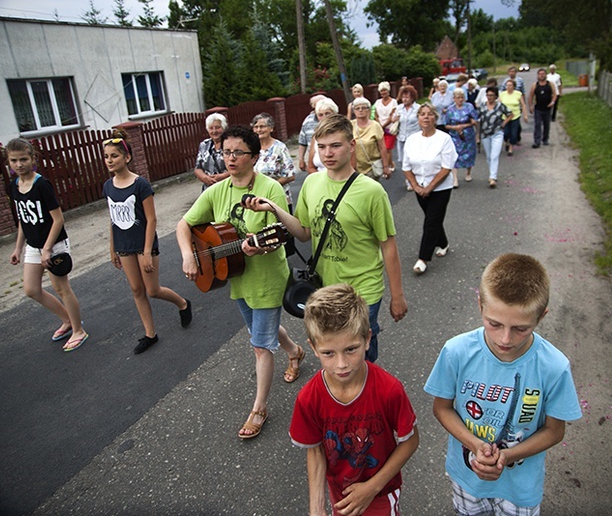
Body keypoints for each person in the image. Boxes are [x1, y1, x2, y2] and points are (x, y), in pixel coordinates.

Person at [424, 253, 581, 516]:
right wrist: (475, 445)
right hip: (467, 477)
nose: (505, 338)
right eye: (494, 324)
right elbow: (442, 408)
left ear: (541, 317)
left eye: (520, 328)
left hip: (521, 488)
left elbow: (555, 431)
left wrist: (507, 456)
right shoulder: (456, 352)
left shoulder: (553, 366)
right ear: (480, 305)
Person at [245, 114, 408, 363]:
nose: (327, 153)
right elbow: (303, 232)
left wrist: (397, 297)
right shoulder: (311, 183)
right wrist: (274, 209)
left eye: (335, 145)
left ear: (351, 146)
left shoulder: (371, 191)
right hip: (326, 290)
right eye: (321, 147)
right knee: (336, 353)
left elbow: (388, 246)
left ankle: (369, 390)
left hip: (363, 290)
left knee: (360, 351)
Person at [176, 125, 304, 439]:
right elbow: (184, 224)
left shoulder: (269, 188)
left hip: (267, 278)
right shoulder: (216, 191)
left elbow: (278, 234)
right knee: (259, 331)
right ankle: (296, 350)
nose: (230, 158)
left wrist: (262, 244)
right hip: (236, 277)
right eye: (226, 152)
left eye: (238, 152)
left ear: (254, 156)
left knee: (260, 346)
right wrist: (188, 256)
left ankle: (259, 408)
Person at [289, 284, 419, 516]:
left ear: (367, 339)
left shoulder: (389, 390)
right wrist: (316, 509)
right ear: (313, 348)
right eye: (328, 353)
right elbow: (316, 451)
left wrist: (372, 487)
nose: (341, 364)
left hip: (381, 493)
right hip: (340, 495)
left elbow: (410, 440)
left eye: (351, 349)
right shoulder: (308, 398)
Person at [102, 131, 192, 354]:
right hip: (123, 246)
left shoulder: (140, 184)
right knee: (136, 289)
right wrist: (112, 248)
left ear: (127, 157)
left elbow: (151, 219)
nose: (110, 161)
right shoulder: (108, 186)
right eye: (106, 156)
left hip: (144, 245)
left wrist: (146, 252)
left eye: (114, 156)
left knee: (152, 290)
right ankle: (150, 333)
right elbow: (113, 219)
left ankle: (182, 303)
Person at [8, 138, 89, 352]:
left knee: (61, 288)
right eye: (14, 160)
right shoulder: (14, 186)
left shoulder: (41, 184)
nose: (19, 164)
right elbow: (23, 219)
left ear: (33, 159)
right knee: (31, 289)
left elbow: (58, 219)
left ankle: (79, 330)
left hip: (54, 245)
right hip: (33, 246)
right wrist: (18, 248)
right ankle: (67, 320)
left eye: (23, 159)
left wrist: (47, 249)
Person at [402, 103, 458, 275]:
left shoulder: (444, 139)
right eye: (422, 114)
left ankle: (423, 259)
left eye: (430, 114)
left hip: (440, 188)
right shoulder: (412, 140)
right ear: (418, 118)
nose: (426, 117)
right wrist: (416, 186)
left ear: (435, 118)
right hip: (420, 188)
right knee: (432, 219)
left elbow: (446, 167)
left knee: (430, 222)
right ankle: (443, 243)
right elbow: (406, 167)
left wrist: (430, 187)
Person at [251, 112, 296, 211]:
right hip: (256, 201)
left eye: (262, 126)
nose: (259, 130)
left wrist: (268, 187)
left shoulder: (279, 148)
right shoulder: (251, 148)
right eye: (256, 127)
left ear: (271, 128)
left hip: (278, 199)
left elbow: (290, 175)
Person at [478, 86, 513, 188]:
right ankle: (491, 174)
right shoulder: (482, 106)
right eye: (488, 95)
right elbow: (477, 118)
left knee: (494, 155)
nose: (489, 97)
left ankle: (493, 177)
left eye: (491, 95)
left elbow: (510, 114)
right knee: (489, 156)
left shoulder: (500, 106)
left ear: (496, 96)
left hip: (497, 133)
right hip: (485, 134)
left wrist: (504, 123)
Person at [351, 96, 389, 181]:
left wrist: (386, 166)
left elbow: (382, 148)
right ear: (354, 111)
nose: (360, 110)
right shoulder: (350, 125)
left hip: (371, 168)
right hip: (355, 169)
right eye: (357, 108)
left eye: (364, 108)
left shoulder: (375, 126)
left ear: (368, 110)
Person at [445, 87, 478, 185]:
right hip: (455, 136)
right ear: (454, 98)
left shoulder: (469, 107)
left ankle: (468, 173)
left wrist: (466, 125)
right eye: (458, 97)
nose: (460, 100)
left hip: (468, 135)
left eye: (462, 97)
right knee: (455, 156)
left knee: (470, 154)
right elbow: (446, 124)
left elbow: (475, 120)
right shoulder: (450, 109)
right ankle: (455, 178)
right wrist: (455, 128)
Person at [390, 85, 421, 190]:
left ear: (412, 97)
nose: (405, 99)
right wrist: (395, 118)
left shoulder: (418, 108)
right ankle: (409, 181)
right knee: (404, 161)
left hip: (415, 139)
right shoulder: (399, 108)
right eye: (403, 97)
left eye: (407, 97)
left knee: (415, 160)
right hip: (402, 138)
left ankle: (417, 179)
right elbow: (393, 119)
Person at [193, 113, 230, 191]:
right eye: (211, 128)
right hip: (208, 189)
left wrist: (223, 176)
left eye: (217, 127)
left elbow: (241, 166)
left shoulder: (231, 144)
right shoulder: (204, 145)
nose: (214, 131)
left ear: (224, 128)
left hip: (228, 187)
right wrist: (204, 178)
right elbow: (198, 168)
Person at [307, 97, 339, 174]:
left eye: (327, 113)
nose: (324, 117)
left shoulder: (344, 134)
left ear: (335, 114)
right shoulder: (315, 137)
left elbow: (352, 165)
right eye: (320, 115)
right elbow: (310, 167)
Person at [529, 68, 557, 148]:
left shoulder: (550, 84)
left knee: (546, 124)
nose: (542, 75)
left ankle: (545, 139)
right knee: (537, 125)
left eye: (543, 74)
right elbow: (531, 96)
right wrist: (530, 106)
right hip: (538, 108)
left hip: (547, 108)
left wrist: (552, 102)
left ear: (545, 75)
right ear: (538, 75)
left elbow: (554, 94)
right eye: (540, 74)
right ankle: (537, 141)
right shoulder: (535, 85)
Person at [499, 80, 528, 157]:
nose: (508, 87)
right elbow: (498, 106)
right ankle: (507, 142)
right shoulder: (502, 94)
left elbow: (523, 105)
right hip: (504, 117)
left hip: (515, 116)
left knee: (514, 133)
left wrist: (525, 115)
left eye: (510, 85)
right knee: (505, 133)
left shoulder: (518, 94)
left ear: (514, 86)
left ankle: (511, 148)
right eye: (507, 85)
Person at [374, 81, 398, 172]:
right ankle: (391, 163)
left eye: (385, 90)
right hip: (379, 128)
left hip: (389, 128)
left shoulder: (394, 102)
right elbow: (375, 115)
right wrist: (379, 125)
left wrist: (383, 126)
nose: (383, 93)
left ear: (388, 91)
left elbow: (392, 115)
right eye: (381, 91)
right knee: (381, 148)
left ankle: (386, 167)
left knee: (388, 148)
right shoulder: (377, 102)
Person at [298, 94, 326, 171]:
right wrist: (301, 159)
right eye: (318, 104)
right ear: (313, 106)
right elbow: (302, 142)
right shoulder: (307, 121)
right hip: (314, 162)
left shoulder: (336, 120)